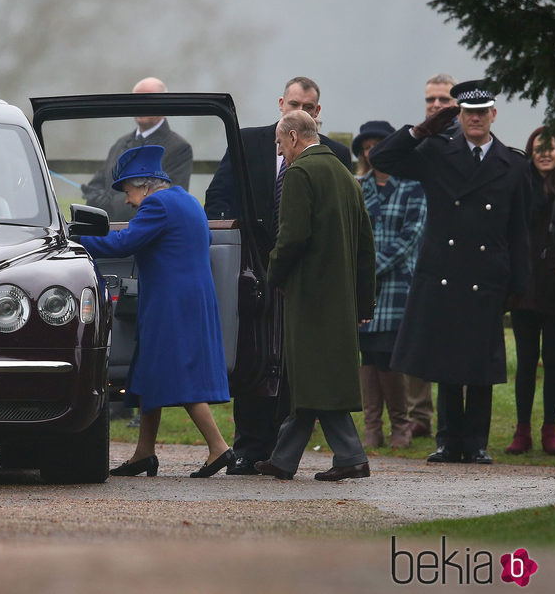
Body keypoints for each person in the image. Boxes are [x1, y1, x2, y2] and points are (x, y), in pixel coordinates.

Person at [369, 80, 531, 464]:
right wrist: (419, 130)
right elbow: (382, 159)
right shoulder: (436, 151)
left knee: (479, 362)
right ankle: (447, 441)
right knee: (445, 361)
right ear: (459, 115)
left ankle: (475, 443)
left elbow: (519, 230)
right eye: (468, 113)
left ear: (493, 115)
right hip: (443, 270)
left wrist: (520, 284)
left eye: (481, 113)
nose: (474, 119)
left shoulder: (513, 163)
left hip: (488, 274)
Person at [203, 76, 351, 476]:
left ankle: (283, 453)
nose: (299, 110)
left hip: (304, 276)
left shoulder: (334, 154)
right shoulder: (247, 141)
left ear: (318, 112)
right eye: (293, 103)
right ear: (281, 104)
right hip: (252, 268)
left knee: (294, 363)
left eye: (309, 105)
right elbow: (217, 198)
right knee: (253, 358)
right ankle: (250, 447)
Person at [79, 145, 235, 478]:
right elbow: (201, 239)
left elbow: (122, 244)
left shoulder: (157, 204)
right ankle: (144, 453)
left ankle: (219, 447)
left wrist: (77, 240)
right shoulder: (188, 201)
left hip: (171, 303)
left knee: (180, 374)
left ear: (144, 184)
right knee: (151, 372)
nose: (126, 199)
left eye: (128, 189)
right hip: (192, 299)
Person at [253, 110, 376, 481]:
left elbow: (291, 238)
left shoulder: (300, 173)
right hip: (340, 299)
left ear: (292, 137)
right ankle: (285, 459)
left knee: (315, 378)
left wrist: (271, 276)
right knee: (314, 378)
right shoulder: (345, 175)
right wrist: (364, 300)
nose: (280, 151)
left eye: (279, 143)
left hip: (309, 297)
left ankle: (351, 457)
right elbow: (366, 245)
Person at [353, 120, 427, 449]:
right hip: (364, 290)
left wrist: (373, 268)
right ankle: (372, 426)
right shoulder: (358, 187)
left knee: (388, 352)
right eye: (367, 146)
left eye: (377, 145)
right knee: (367, 353)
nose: (372, 152)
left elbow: (411, 238)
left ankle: (400, 424)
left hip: (398, 286)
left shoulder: (413, 186)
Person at [405, 73, 460, 440]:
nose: (436, 106)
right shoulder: (421, 142)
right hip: (418, 252)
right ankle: (418, 413)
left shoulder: (467, 140)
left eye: (442, 100)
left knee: (459, 338)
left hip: (457, 254)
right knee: (418, 335)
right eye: (430, 100)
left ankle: (459, 418)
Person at [507, 126, 555, 455]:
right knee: (527, 360)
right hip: (525, 286)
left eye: (551, 148)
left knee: (554, 360)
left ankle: (549, 431)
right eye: (538, 147)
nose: (544, 153)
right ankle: (522, 430)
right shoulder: (521, 185)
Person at [81, 77, 193, 223]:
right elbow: (98, 181)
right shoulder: (121, 143)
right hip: (108, 229)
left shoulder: (179, 148)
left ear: (164, 104)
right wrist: (93, 198)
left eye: (148, 101)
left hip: (146, 229)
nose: (141, 106)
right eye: (136, 101)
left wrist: (109, 205)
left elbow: (168, 199)